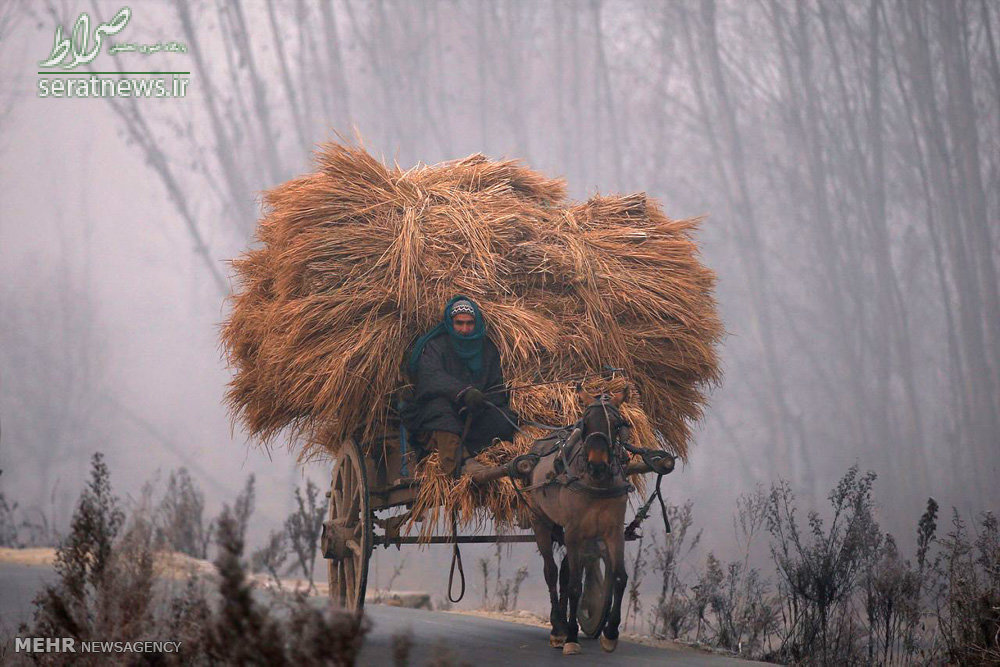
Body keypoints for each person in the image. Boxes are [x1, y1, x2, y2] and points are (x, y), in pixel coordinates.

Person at [401, 296, 518, 476]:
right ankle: (461, 463)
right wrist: (463, 393)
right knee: (441, 412)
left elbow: (496, 385)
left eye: (470, 323)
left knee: (503, 418)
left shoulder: (487, 349)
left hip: (475, 410)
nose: (464, 329)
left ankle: (495, 457)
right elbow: (432, 377)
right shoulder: (435, 346)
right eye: (459, 323)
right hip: (439, 410)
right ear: (450, 323)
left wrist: (483, 401)